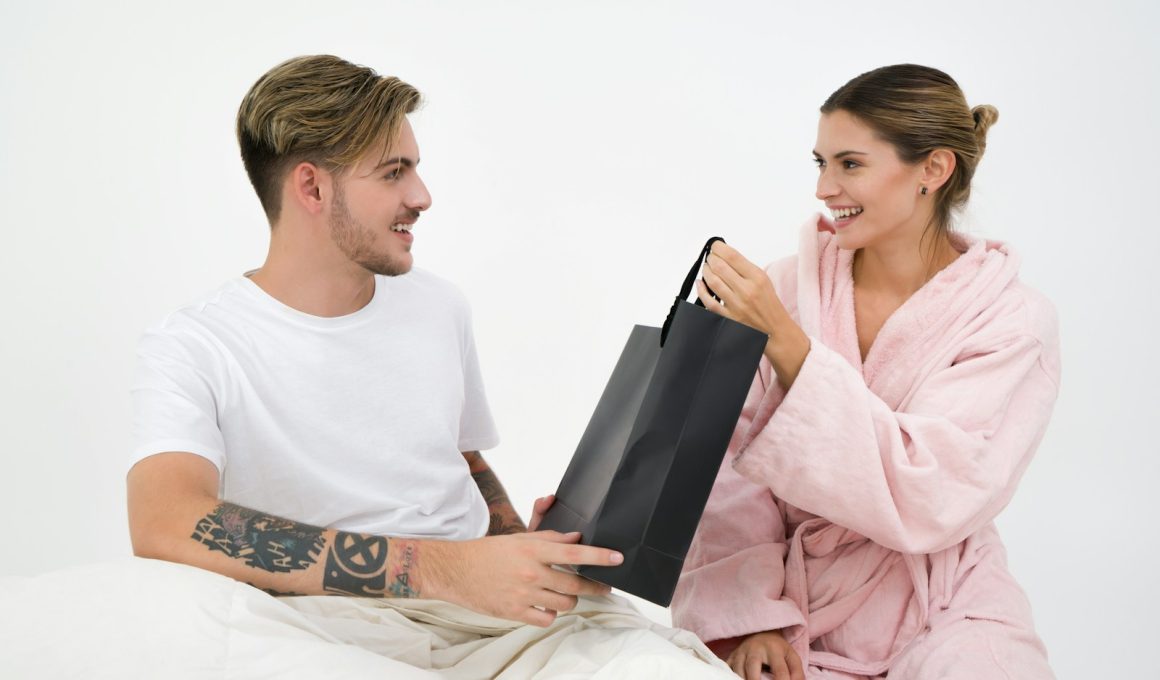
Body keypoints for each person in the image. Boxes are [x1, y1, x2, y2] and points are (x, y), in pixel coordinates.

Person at [121, 54, 733, 677]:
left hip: (487, 620)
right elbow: (167, 521)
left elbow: (462, 462)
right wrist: (447, 570)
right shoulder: (196, 344)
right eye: (394, 173)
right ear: (311, 187)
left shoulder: (437, 306)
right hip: (326, 627)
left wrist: (521, 553)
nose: (422, 197)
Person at [672, 64, 1059, 680]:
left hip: (943, 602)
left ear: (932, 170)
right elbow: (726, 468)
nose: (825, 188)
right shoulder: (786, 287)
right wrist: (753, 618)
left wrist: (788, 345)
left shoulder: (1009, 320)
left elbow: (933, 493)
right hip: (786, 597)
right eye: (819, 163)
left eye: (850, 164)